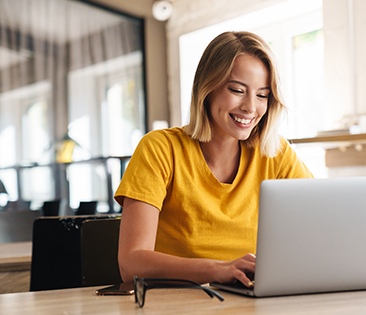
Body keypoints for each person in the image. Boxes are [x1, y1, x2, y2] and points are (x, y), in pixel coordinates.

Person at [114, 31, 313, 288]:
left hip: (250, 301)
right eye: (237, 90)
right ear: (207, 88)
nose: (251, 107)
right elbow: (131, 265)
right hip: (177, 303)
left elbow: (320, 229)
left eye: (262, 95)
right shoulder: (160, 149)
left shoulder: (275, 153)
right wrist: (218, 269)